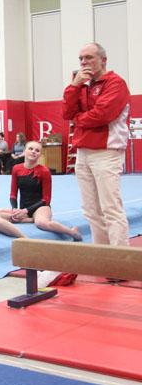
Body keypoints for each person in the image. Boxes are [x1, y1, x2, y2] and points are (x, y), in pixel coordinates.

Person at [63, 42, 131, 246]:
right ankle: (102, 256)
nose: (84, 62)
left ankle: (120, 259)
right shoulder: (82, 86)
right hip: (84, 152)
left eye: (89, 57)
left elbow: (102, 115)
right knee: (91, 210)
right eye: (81, 58)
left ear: (103, 60)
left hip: (106, 152)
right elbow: (67, 113)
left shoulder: (115, 83)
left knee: (110, 208)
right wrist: (74, 86)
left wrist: (79, 119)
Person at [0, 141, 82, 241]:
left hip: (40, 207)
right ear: (24, 151)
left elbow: (46, 199)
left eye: (37, 150)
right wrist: (15, 209)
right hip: (23, 208)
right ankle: (30, 219)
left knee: (41, 223)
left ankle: (72, 231)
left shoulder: (44, 171)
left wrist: (25, 211)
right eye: (30, 149)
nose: (34, 151)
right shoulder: (16, 169)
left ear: (40, 155)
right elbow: (13, 194)